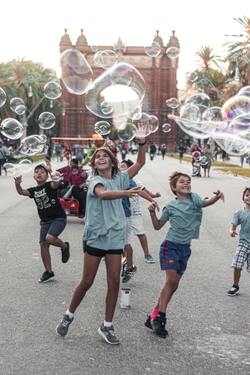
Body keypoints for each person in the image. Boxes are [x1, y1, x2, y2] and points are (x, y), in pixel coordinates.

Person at [56, 140, 147, 345]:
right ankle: (68, 315)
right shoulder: (96, 181)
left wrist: (142, 142)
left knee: (114, 282)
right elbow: (103, 195)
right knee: (87, 281)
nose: (101, 158)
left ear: (113, 161)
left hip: (114, 237)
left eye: (105, 155)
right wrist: (127, 193)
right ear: (94, 164)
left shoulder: (120, 178)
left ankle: (107, 325)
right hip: (97, 236)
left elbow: (140, 162)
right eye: (97, 156)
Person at [145, 171, 224, 338]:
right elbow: (158, 226)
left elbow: (205, 202)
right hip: (170, 246)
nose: (186, 184)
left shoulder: (194, 199)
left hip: (185, 249)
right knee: (171, 281)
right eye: (182, 182)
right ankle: (161, 317)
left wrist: (216, 197)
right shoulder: (170, 207)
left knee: (173, 285)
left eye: (188, 181)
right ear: (174, 187)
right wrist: (152, 213)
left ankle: (152, 315)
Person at [14, 162, 70, 283]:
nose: (39, 173)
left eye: (42, 172)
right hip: (45, 222)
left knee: (49, 238)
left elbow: (56, 182)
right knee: (43, 245)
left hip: (58, 218)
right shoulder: (33, 190)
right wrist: (17, 184)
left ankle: (64, 246)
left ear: (46, 176)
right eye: (37, 171)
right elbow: (21, 192)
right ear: (33, 176)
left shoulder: (50, 185)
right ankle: (48, 272)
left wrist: (50, 171)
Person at [120, 159, 160, 282]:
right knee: (122, 242)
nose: (121, 168)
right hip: (119, 214)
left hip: (132, 213)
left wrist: (152, 199)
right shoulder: (114, 178)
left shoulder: (128, 180)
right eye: (119, 166)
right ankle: (125, 262)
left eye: (124, 166)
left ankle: (143, 256)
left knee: (134, 237)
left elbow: (141, 191)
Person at [227, 187, 250, 296]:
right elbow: (233, 225)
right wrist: (231, 230)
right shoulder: (239, 212)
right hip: (243, 243)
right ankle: (235, 286)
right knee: (237, 264)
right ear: (243, 197)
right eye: (247, 195)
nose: (249, 197)